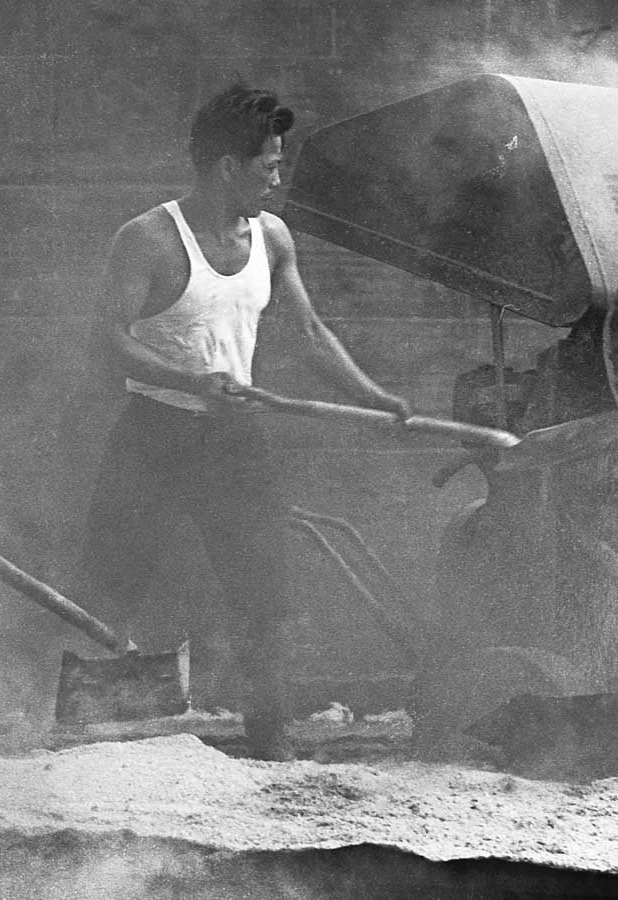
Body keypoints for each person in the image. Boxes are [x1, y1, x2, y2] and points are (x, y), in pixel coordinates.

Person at [85, 83, 413, 760]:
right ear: (226, 167)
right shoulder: (147, 239)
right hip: (154, 431)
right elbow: (109, 340)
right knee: (110, 581)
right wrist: (190, 380)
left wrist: (374, 397)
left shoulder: (272, 236)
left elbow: (310, 334)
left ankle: (270, 738)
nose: (277, 175)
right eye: (268, 165)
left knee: (263, 592)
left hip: (235, 440)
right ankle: (65, 731)